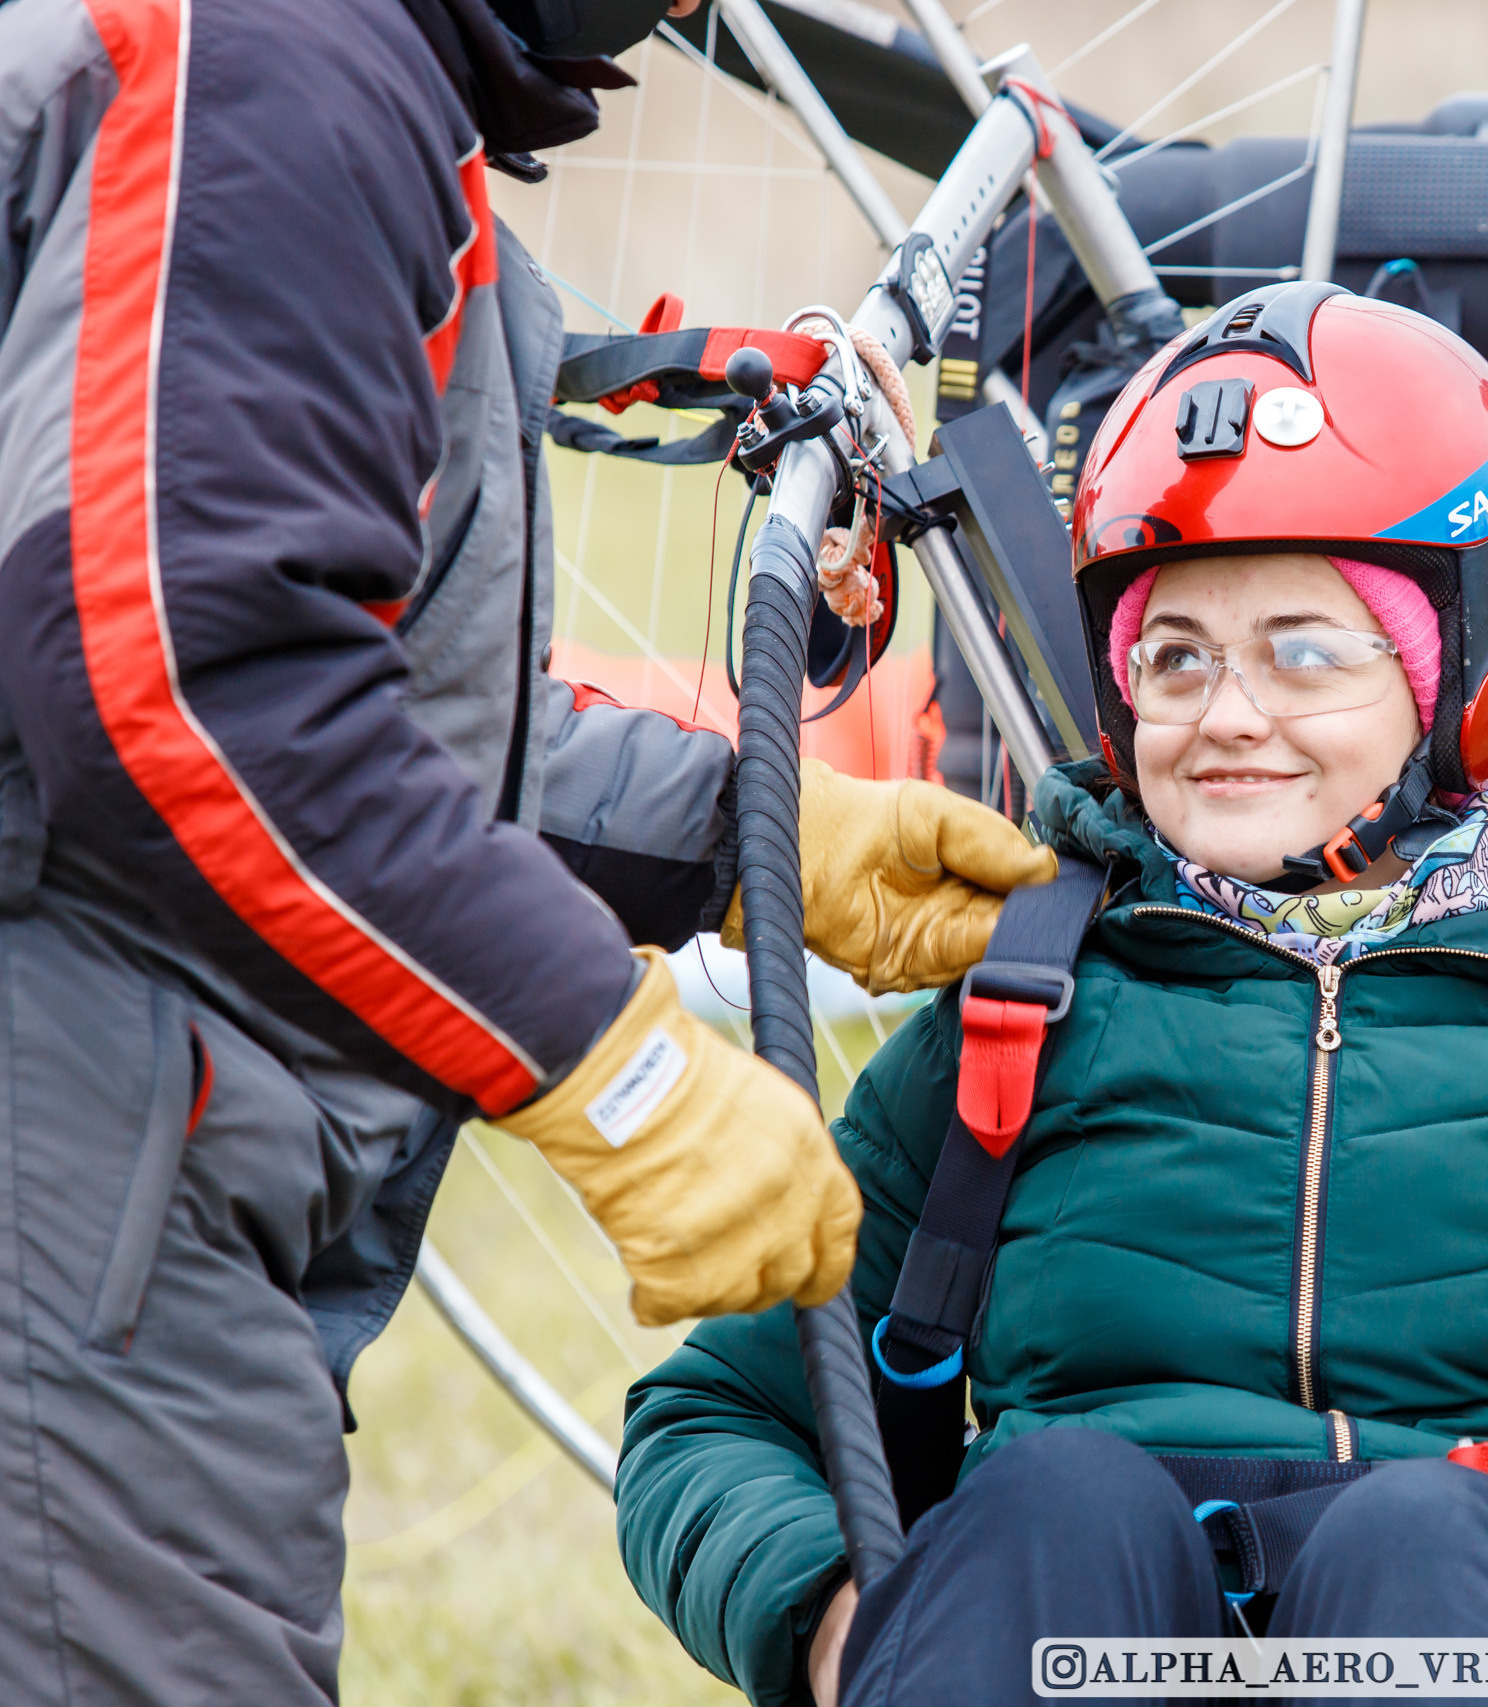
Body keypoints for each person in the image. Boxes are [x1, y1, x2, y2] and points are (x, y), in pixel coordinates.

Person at [615, 286, 1488, 1707]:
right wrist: (831, 1612)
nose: (1225, 712)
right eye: (1176, 657)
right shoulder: (1019, 1010)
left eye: (1306, 649)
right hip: (1076, 1640)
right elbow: (716, 1418)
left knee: (1428, 1540)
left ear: (1462, 674)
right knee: (1056, 1506)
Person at [0, 0, 1051, 1700]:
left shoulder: (333, 84)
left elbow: (337, 714)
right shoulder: (278, 70)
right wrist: (608, 1060)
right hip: (68, 1180)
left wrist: (752, 835)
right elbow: (191, 696)